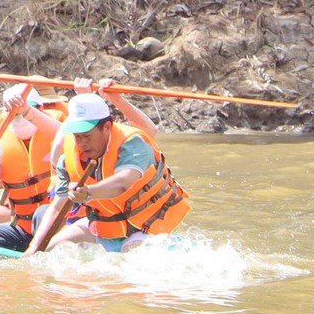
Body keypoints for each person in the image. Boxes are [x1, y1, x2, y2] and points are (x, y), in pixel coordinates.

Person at [27, 86, 191, 255]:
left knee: (130, 254)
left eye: (87, 136)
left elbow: (122, 183)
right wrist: (34, 248)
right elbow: (57, 208)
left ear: (107, 127)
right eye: (77, 136)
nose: (81, 143)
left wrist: (88, 192)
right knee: (52, 247)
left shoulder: (134, 144)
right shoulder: (67, 158)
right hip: (107, 227)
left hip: (149, 225)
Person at [0, 84, 70, 253]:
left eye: (23, 112)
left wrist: (28, 112)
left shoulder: (59, 133)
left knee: (42, 213)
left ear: (40, 109)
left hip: (55, 220)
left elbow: (68, 138)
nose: (19, 117)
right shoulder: (3, 142)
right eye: (14, 113)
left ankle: (41, 250)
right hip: (22, 226)